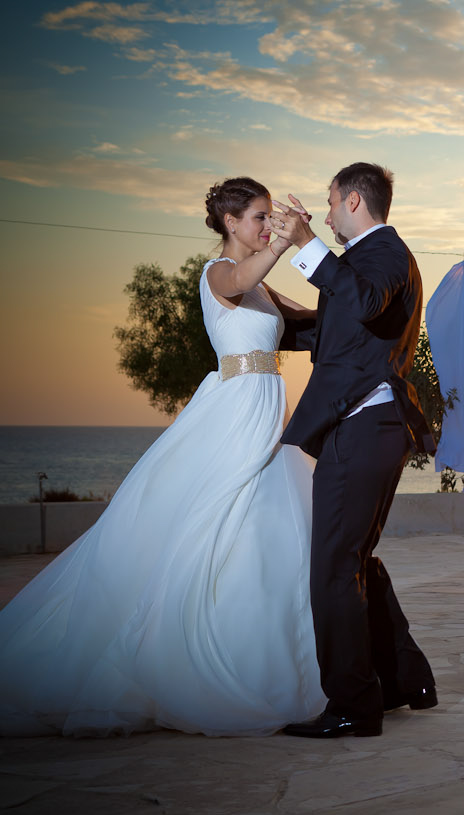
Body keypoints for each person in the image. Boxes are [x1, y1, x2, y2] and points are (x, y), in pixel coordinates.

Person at [0, 177, 327, 737]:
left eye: (270, 217)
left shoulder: (263, 290)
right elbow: (246, 274)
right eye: (258, 217)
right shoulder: (221, 273)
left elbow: (312, 318)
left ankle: (268, 651)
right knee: (211, 514)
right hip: (233, 411)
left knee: (264, 524)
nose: (265, 226)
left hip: (268, 411)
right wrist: (285, 241)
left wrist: (325, 260)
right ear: (229, 223)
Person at [269, 162, 437, 739]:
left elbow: (362, 302)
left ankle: (353, 706)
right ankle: (401, 682)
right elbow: (333, 326)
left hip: (367, 426)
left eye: (332, 201)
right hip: (367, 427)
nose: (327, 211)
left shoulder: (386, 253)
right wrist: (254, 296)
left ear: (356, 202)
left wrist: (306, 245)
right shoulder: (364, 263)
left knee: (333, 570)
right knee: (355, 561)